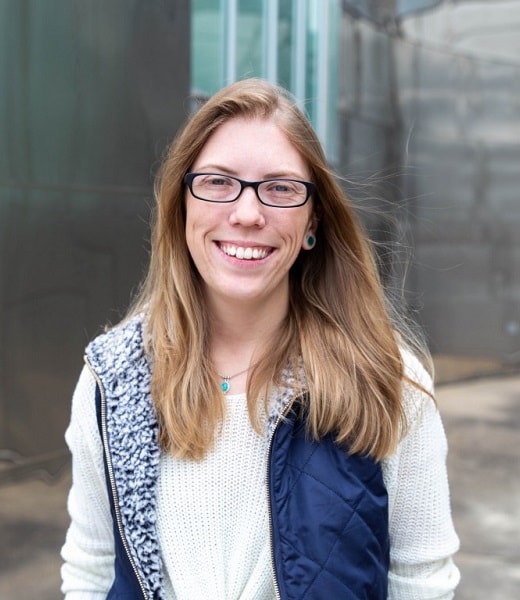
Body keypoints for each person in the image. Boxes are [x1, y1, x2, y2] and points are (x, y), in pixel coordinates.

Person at [60, 78, 460, 599]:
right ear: (182, 205)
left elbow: (422, 584)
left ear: (313, 218)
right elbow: (90, 575)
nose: (247, 213)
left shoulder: (387, 381)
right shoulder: (112, 379)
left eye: (280, 188)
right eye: (219, 182)